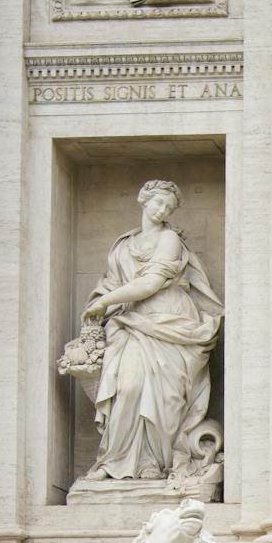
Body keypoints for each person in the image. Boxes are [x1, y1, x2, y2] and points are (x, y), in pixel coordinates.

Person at [75, 179, 223, 483]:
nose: (162, 210)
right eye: (158, 203)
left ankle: (154, 464)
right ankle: (115, 460)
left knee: (164, 397)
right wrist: (103, 304)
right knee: (128, 387)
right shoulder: (123, 246)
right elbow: (112, 283)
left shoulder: (169, 239)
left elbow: (150, 283)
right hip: (132, 323)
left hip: (170, 321)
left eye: (169, 207)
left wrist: (104, 303)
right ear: (144, 199)